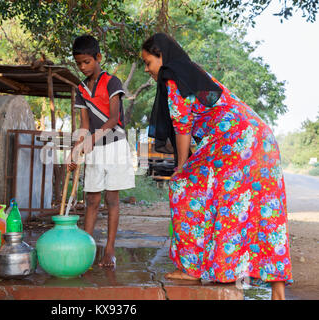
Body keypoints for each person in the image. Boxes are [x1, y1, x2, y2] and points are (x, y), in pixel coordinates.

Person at [141, 33, 292, 299]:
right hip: (261, 138)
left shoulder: (174, 79)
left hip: (235, 141)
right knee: (265, 210)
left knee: (185, 189)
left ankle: (194, 267)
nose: (146, 69)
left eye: (148, 62)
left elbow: (183, 128)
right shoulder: (194, 72)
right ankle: (276, 287)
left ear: (162, 58)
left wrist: (182, 168)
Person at [67, 35, 135, 268]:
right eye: (79, 64)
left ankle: (109, 250)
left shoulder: (112, 82)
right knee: (92, 199)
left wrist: (93, 138)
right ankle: (86, 248)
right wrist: (75, 150)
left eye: (87, 62)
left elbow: (114, 118)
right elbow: (85, 126)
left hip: (115, 145)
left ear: (98, 57)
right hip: (95, 149)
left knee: (111, 199)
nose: (83, 67)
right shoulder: (81, 89)